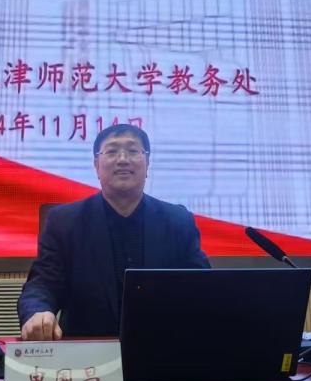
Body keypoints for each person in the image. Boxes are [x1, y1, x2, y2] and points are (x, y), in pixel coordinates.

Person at [18, 124, 210, 340]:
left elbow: (202, 285)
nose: (123, 159)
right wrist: (38, 311)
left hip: (163, 346)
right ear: (96, 165)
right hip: (87, 349)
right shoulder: (64, 222)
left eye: (133, 151)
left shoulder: (177, 221)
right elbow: (43, 283)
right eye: (111, 151)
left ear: (147, 163)